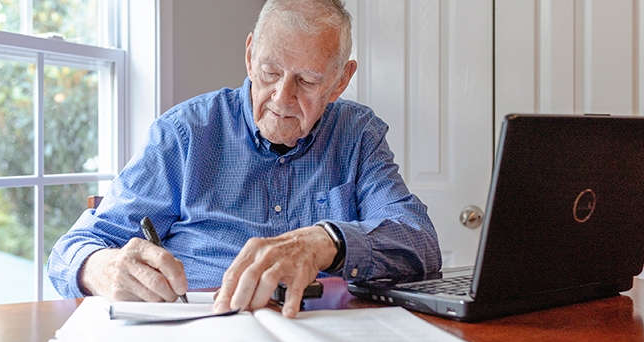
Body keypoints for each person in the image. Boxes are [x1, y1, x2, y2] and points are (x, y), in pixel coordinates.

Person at [48, 0, 442, 318]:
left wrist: (329, 241)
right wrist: (102, 268)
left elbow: (420, 241)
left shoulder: (357, 134)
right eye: (270, 72)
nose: (282, 98)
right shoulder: (185, 134)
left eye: (307, 81)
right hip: (201, 332)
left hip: (322, 329)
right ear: (251, 56)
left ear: (340, 80)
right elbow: (74, 248)